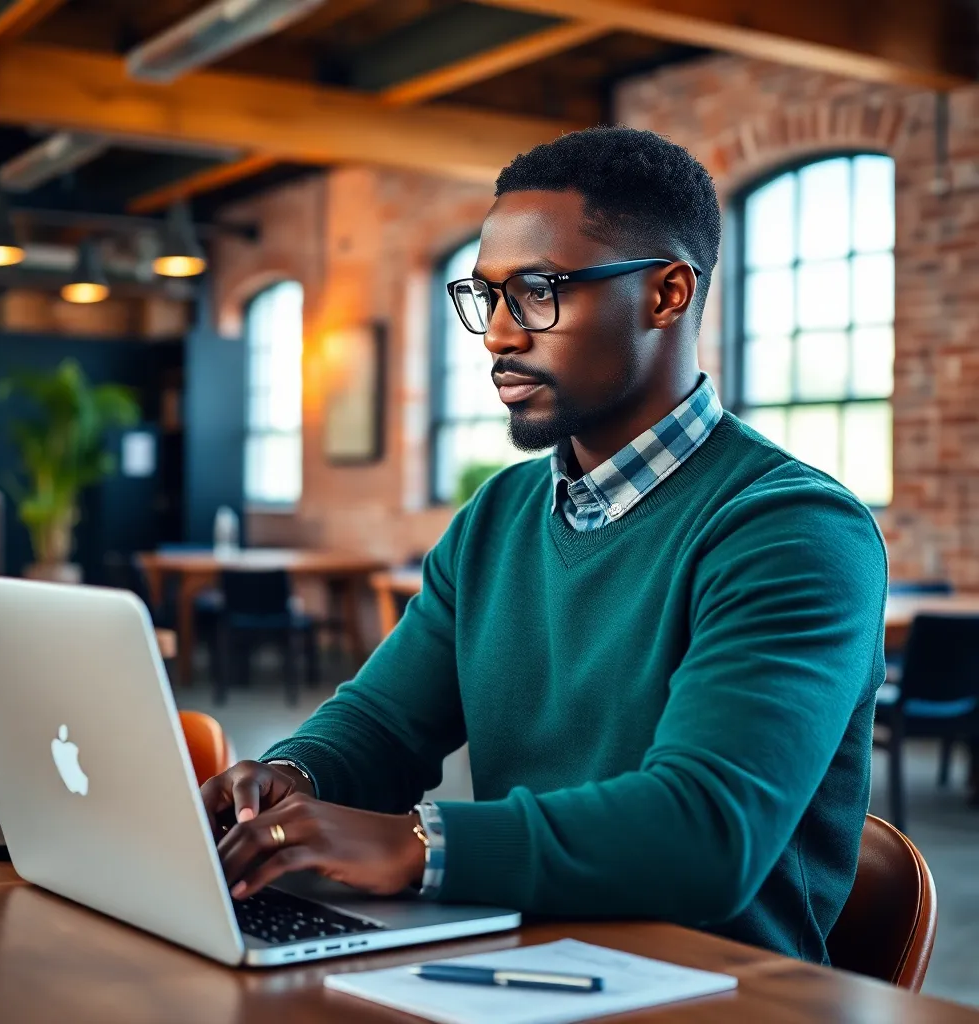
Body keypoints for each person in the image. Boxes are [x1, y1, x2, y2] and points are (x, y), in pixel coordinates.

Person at [202, 125, 887, 964]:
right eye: (486, 296)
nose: (496, 335)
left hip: (709, 994)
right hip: (513, 960)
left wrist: (422, 845)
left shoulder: (792, 530)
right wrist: (295, 779)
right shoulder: (499, 514)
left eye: (536, 291)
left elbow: (708, 830)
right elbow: (384, 723)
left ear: (668, 294)